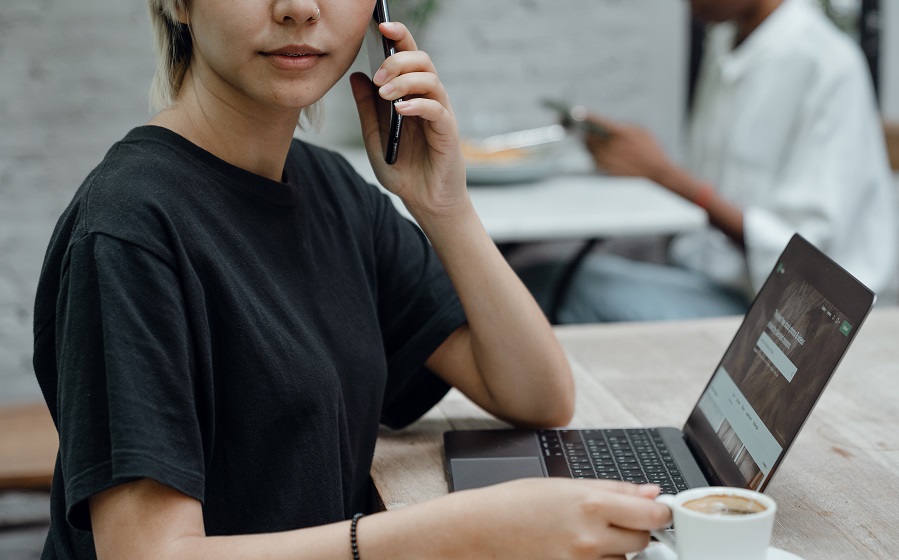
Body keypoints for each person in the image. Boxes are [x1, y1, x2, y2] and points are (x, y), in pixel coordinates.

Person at [31, 1, 672, 558]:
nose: (299, 8)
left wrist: (444, 209)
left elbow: (536, 393)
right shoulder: (129, 229)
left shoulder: (329, 188)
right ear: (180, 4)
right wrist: (453, 536)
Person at [521, 0, 897, 323]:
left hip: (781, 316)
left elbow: (808, 262)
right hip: (707, 275)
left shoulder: (828, 64)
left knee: (546, 284)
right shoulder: (725, 44)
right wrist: (639, 162)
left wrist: (664, 175)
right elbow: (711, 194)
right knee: (532, 264)